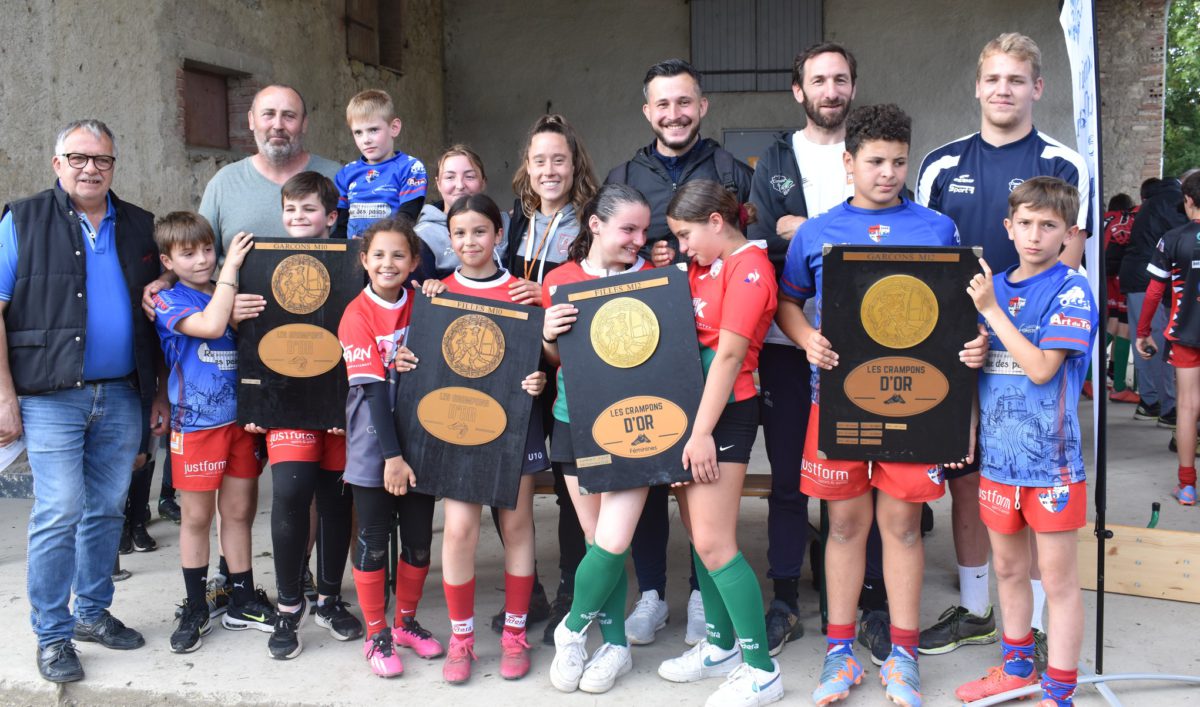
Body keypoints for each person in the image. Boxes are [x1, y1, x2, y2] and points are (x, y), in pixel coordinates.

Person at [778, 104, 982, 707]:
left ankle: (903, 655)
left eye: (898, 162)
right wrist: (804, 337)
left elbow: (957, 316)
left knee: (901, 528)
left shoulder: (937, 228)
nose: (888, 172)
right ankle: (840, 655)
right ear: (849, 163)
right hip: (838, 403)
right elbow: (790, 302)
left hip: (917, 405)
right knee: (842, 526)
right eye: (875, 161)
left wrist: (972, 345)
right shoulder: (816, 232)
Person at [915, 33, 1090, 657]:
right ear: (978, 86)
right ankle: (976, 607)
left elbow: (1068, 263)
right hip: (959, 341)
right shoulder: (940, 163)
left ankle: (1039, 625)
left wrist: (1008, 320)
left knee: (1033, 478)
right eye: (994, 79)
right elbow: (927, 257)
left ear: (1036, 88)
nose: (1004, 90)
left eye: (1017, 80)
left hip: (1027, 346)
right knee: (969, 476)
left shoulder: (1065, 161)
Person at [0, 118, 166, 683]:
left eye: (102, 160)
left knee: (105, 508)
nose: (90, 168)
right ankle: (52, 634)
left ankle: (91, 614)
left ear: (114, 166)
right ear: (57, 164)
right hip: (49, 394)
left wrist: (159, 390)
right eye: (78, 158)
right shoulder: (21, 219)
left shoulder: (141, 225)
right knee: (59, 508)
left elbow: (165, 301)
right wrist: (3, 395)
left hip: (123, 391)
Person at [606, 57, 754, 647]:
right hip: (643, 347)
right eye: (662, 104)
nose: (674, 113)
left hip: (710, 345)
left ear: (703, 105)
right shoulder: (624, 173)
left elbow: (749, 242)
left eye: (684, 102)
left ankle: (701, 595)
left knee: (701, 482)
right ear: (647, 111)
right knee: (643, 465)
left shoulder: (731, 171)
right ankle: (650, 593)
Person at [747, 41, 879, 658]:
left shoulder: (870, 154)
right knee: (789, 478)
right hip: (786, 338)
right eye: (819, 80)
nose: (831, 90)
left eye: (841, 79)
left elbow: (878, 231)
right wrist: (809, 234)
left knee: (863, 476)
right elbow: (770, 242)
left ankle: (861, 599)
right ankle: (782, 598)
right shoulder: (774, 160)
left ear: (853, 87)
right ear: (798, 91)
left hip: (866, 347)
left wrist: (809, 229)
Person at [955, 176, 1097, 707]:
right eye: (1026, 223)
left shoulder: (1071, 288)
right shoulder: (995, 287)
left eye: (1049, 225)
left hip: (1052, 467)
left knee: (1056, 582)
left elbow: (1039, 369)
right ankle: (1016, 671)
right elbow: (983, 368)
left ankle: (1058, 691)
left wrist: (992, 311)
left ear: (1067, 233)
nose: (1035, 235)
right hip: (998, 463)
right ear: (1008, 227)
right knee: (1010, 569)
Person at [653, 180, 782, 706]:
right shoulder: (706, 267)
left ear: (715, 221)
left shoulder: (750, 269)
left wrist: (701, 433)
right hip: (692, 413)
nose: (683, 247)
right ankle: (721, 646)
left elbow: (728, 358)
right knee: (698, 534)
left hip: (723, 416)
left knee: (714, 542)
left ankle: (761, 669)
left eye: (687, 235)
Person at [237, 172, 363, 660]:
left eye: (308, 210)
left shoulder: (356, 262)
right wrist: (255, 404)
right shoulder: (259, 263)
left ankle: (329, 600)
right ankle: (289, 606)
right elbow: (247, 337)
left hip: (337, 408)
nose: (297, 219)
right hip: (285, 405)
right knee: (289, 494)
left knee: (335, 504)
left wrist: (345, 404)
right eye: (290, 211)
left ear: (332, 217)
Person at [543, 183, 656, 695]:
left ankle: (572, 631)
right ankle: (615, 647)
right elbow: (553, 361)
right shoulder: (561, 280)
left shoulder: (654, 280)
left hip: (639, 424)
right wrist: (547, 333)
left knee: (613, 542)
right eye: (628, 229)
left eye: (643, 230)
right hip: (573, 419)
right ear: (595, 225)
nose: (639, 239)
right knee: (595, 543)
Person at [435, 194, 548, 683]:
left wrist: (540, 376)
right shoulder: (435, 294)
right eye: (459, 233)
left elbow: (547, 355)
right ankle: (461, 641)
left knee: (517, 526)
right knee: (459, 530)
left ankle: (515, 634)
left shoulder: (524, 293)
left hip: (516, 426)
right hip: (459, 427)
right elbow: (423, 361)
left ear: (498, 235)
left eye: (479, 231)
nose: (469, 241)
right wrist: (408, 363)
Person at [152, 214, 274, 653]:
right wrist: (229, 277)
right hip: (196, 426)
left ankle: (241, 597)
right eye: (188, 254)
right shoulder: (167, 300)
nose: (202, 260)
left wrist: (233, 298)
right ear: (168, 260)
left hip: (242, 423)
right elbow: (209, 326)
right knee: (196, 518)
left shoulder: (230, 294)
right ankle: (196, 605)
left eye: (208, 250)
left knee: (238, 513)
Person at [503, 113, 599, 643]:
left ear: (574, 163)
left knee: (569, 484)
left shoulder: (590, 221)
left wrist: (544, 298)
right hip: (517, 365)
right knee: (509, 477)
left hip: (571, 361)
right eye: (539, 160)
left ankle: (569, 588)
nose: (548, 169)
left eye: (558, 159)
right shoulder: (514, 221)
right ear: (527, 167)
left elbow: (598, 288)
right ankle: (529, 592)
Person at [338, 218, 442, 677]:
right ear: (364, 261)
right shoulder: (356, 314)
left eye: (399, 255)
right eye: (378, 255)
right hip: (373, 448)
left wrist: (443, 295)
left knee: (419, 542)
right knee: (374, 540)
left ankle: (405, 623)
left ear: (415, 262)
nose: (388, 263)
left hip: (420, 443)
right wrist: (392, 459)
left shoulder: (424, 305)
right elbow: (376, 393)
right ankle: (376, 632)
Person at [200, 85, 343, 257]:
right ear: (251, 120)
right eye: (268, 114)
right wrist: (168, 278)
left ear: (304, 123)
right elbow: (196, 257)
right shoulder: (224, 183)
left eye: (289, 116)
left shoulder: (339, 178)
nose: (278, 125)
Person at [1136, 171, 1200, 505]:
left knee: (1188, 408)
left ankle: (1187, 486)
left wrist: (1143, 332)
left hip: (1186, 334)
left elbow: (1152, 293)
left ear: (1188, 201)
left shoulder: (1172, 238)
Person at [1122, 176, 1188, 425]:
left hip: (1136, 276)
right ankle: (1167, 407)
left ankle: (1149, 402)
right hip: (1152, 279)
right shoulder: (1173, 201)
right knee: (1159, 343)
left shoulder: (1153, 202)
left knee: (1144, 343)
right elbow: (1186, 235)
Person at [336, 89, 428, 238]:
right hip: (351, 253)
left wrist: (375, 243)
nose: (366, 139)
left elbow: (406, 218)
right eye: (358, 132)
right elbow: (340, 227)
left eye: (373, 130)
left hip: (391, 250)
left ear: (394, 128)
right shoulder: (346, 173)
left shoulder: (410, 167)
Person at [415, 145, 508, 280]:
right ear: (438, 183)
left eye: (469, 176)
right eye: (450, 177)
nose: (460, 185)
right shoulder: (423, 235)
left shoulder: (508, 224)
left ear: (483, 182)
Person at [1102, 193, 1138, 403]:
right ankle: (1119, 387)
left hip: (1102, 276)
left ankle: (1089, 378)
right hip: (1120, 277)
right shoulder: (1125, 219)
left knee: (1112, 325)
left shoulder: (1104, 218)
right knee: (1124, 328)